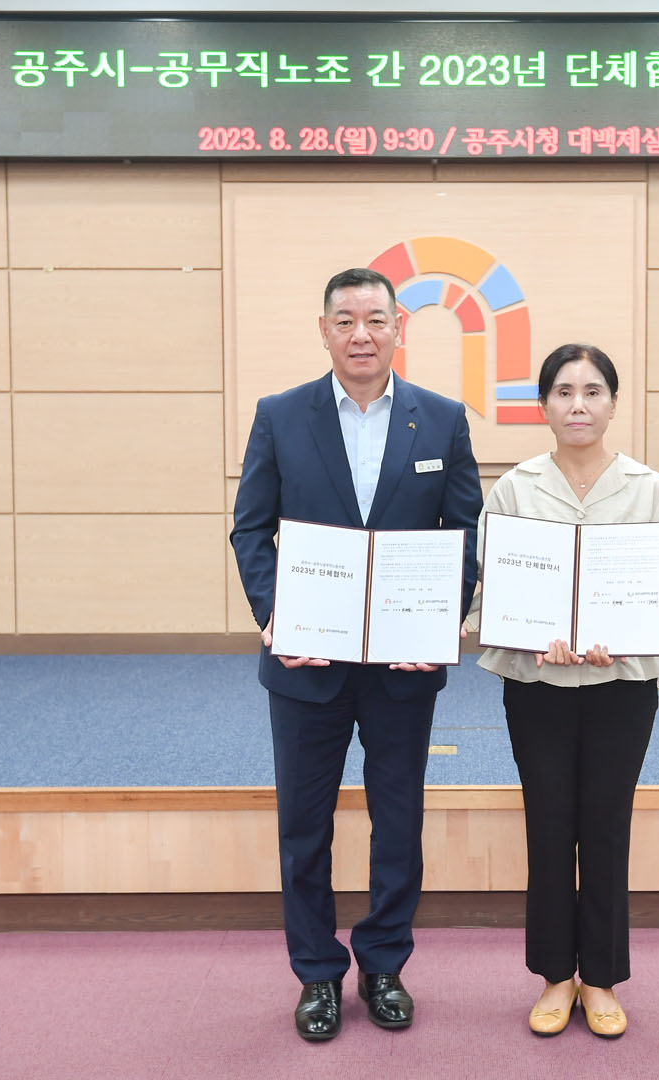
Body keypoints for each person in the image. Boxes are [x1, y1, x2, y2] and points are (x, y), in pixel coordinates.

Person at [230, 267, 483, 1042]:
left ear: (399, 327)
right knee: (304, 826)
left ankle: (383, 964)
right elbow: (251, 528)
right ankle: (316, 973)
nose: (362, 335)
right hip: (307, 664)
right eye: (346, 321)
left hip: (404, 667)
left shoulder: (442, 420)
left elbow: (463, 534)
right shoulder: (280, 415)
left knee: (397, 820)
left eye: (376, 319)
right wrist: (276, 616)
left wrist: (438, 623)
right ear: (324, 331)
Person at [465, 343, 659, 1039]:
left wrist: (624, 633)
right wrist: (527, 633)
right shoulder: (515, 489)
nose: (579, 405)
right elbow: (490, 587)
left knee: (605, 827)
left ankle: (600, 979)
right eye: (564, 392)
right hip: (538, 684)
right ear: (544, 405)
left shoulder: (649, 489)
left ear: (613, 404)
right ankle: (554, 977)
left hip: (622, 683)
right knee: (548, 826)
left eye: (593, 392)